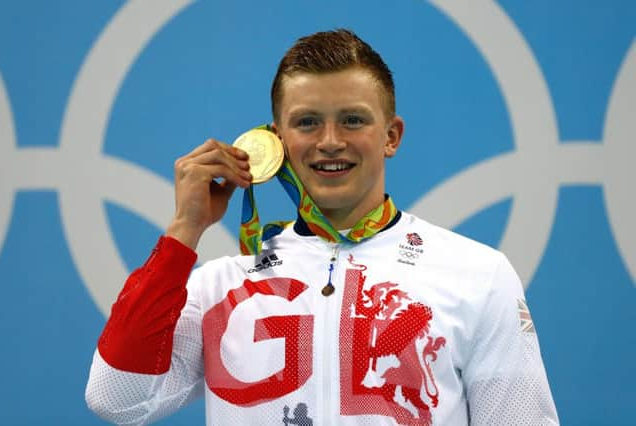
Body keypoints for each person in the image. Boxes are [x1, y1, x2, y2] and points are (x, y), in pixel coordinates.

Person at [85, 29, 559, 425]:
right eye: (308, 122)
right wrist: (184, 232)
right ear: (276, 140)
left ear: (391, 136)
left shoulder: (477, 273)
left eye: (353, 120)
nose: (330, 142)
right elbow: (117, 399)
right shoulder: (219, 285)